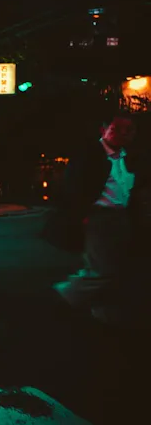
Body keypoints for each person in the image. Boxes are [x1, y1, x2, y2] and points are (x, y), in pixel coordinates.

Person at [53, 114, 142, 324]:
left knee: (117, 267)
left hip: (122, 216)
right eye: (117, 129)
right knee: (101, 269)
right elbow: (73, 188)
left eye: (129, 130)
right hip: (99, 217)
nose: (124, 134)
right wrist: (81, 215)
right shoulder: (91, 155)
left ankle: (102, 308)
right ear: (103, 130)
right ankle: (66, 295)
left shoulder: (128, 157)